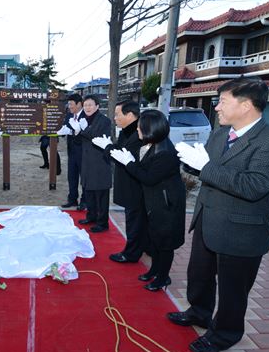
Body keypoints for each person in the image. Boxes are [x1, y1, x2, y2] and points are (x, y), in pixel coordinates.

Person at [170, 77, 269, 352]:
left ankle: (224, 334)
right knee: (199, 275)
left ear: (246, 105)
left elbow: (253, 186)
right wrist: (188, 161)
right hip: (207, 219)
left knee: (232, 291)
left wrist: (205, 167)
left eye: (223, 101)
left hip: (241, 230)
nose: (216, 108)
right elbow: (205, 169)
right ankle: (199, 312)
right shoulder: (220, 133)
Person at [110, 109, 186, 292]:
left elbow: (149, 177)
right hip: (154, 201)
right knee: (154, 239)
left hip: (167, 204)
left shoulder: (166, 152)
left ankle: (163, 277)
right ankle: (154, 270)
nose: (137, 131)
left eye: (139, 128)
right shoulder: (153, 144)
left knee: (164, 242)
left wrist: (129, 163)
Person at [92, 100, 148, 264]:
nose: (114, 118)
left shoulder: (139, 132)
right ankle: (142, 247)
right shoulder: (127, 131)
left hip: (135, 185)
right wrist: (110, 147)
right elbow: (119, 149)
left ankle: (131, 254)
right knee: (135, 218)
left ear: (130, 115)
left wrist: (108, 148)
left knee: (134, 220)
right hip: (128, 181)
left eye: (117, 114)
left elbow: (125, 154)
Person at [69, 95, 112, 233]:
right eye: (86, 105)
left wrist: (83, 129)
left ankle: (102, 222)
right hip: (87, 161)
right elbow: (79, 140)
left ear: (97, 106)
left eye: (90, 105)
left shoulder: (104, 121)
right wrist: (75, 132)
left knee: (100, 193)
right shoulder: (83, 120)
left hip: (99, 162)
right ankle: (91, 216)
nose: (87, 107)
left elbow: (97, 138)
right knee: (88, 191)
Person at [57, 94, 87, 210]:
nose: (69, 106)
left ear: (79, 104)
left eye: (71, 104)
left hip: (84, 152)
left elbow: (87, 134)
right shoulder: (69, 115)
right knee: (72, 176)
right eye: (68, 104)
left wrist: (76, 131)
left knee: (84, 177)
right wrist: (63, 131)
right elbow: (65, 128)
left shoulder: (86, 116)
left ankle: (84, 201)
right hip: (71, 151)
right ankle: (72, 199)